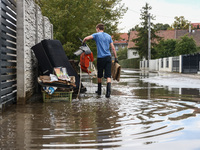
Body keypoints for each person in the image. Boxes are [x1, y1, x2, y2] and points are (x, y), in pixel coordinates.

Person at [83, 23, 118, 98]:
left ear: (98, 29)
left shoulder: (96, 35)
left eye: (96, 29)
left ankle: (99, 91)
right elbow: (113, 48)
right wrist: (116, 58)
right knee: (108, 75)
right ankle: (108, 93)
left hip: (100, 58)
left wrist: (83, 42)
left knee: (99, 75)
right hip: (108, 57)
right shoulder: (108, 36)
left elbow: (86, 38)